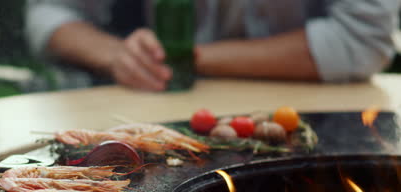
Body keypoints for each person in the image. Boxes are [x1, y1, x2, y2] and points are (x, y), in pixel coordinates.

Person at [25, 0, 400, 91]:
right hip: (146, 114)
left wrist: (186, 57)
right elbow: (49, 11)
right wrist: (115, 54)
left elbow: (363, 39)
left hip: (314, 121)